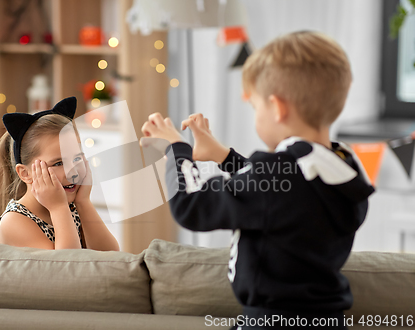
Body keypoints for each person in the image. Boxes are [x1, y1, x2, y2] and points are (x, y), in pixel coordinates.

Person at [141, 31, 375, 329]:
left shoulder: (277, 177)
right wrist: (224, 156)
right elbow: (285, 191)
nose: (256, 115)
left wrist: (177, 149)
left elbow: (191, 206)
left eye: (255, 107)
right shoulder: (344, 167)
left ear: (277, 108)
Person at [0, 96, 119, 251]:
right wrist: (58, 208)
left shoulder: (73, 207)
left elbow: (111, 258)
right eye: (58, 163)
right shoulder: (14, 221)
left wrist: (84, 203)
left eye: (77, 158)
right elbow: (66, 267)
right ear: (25, 173)